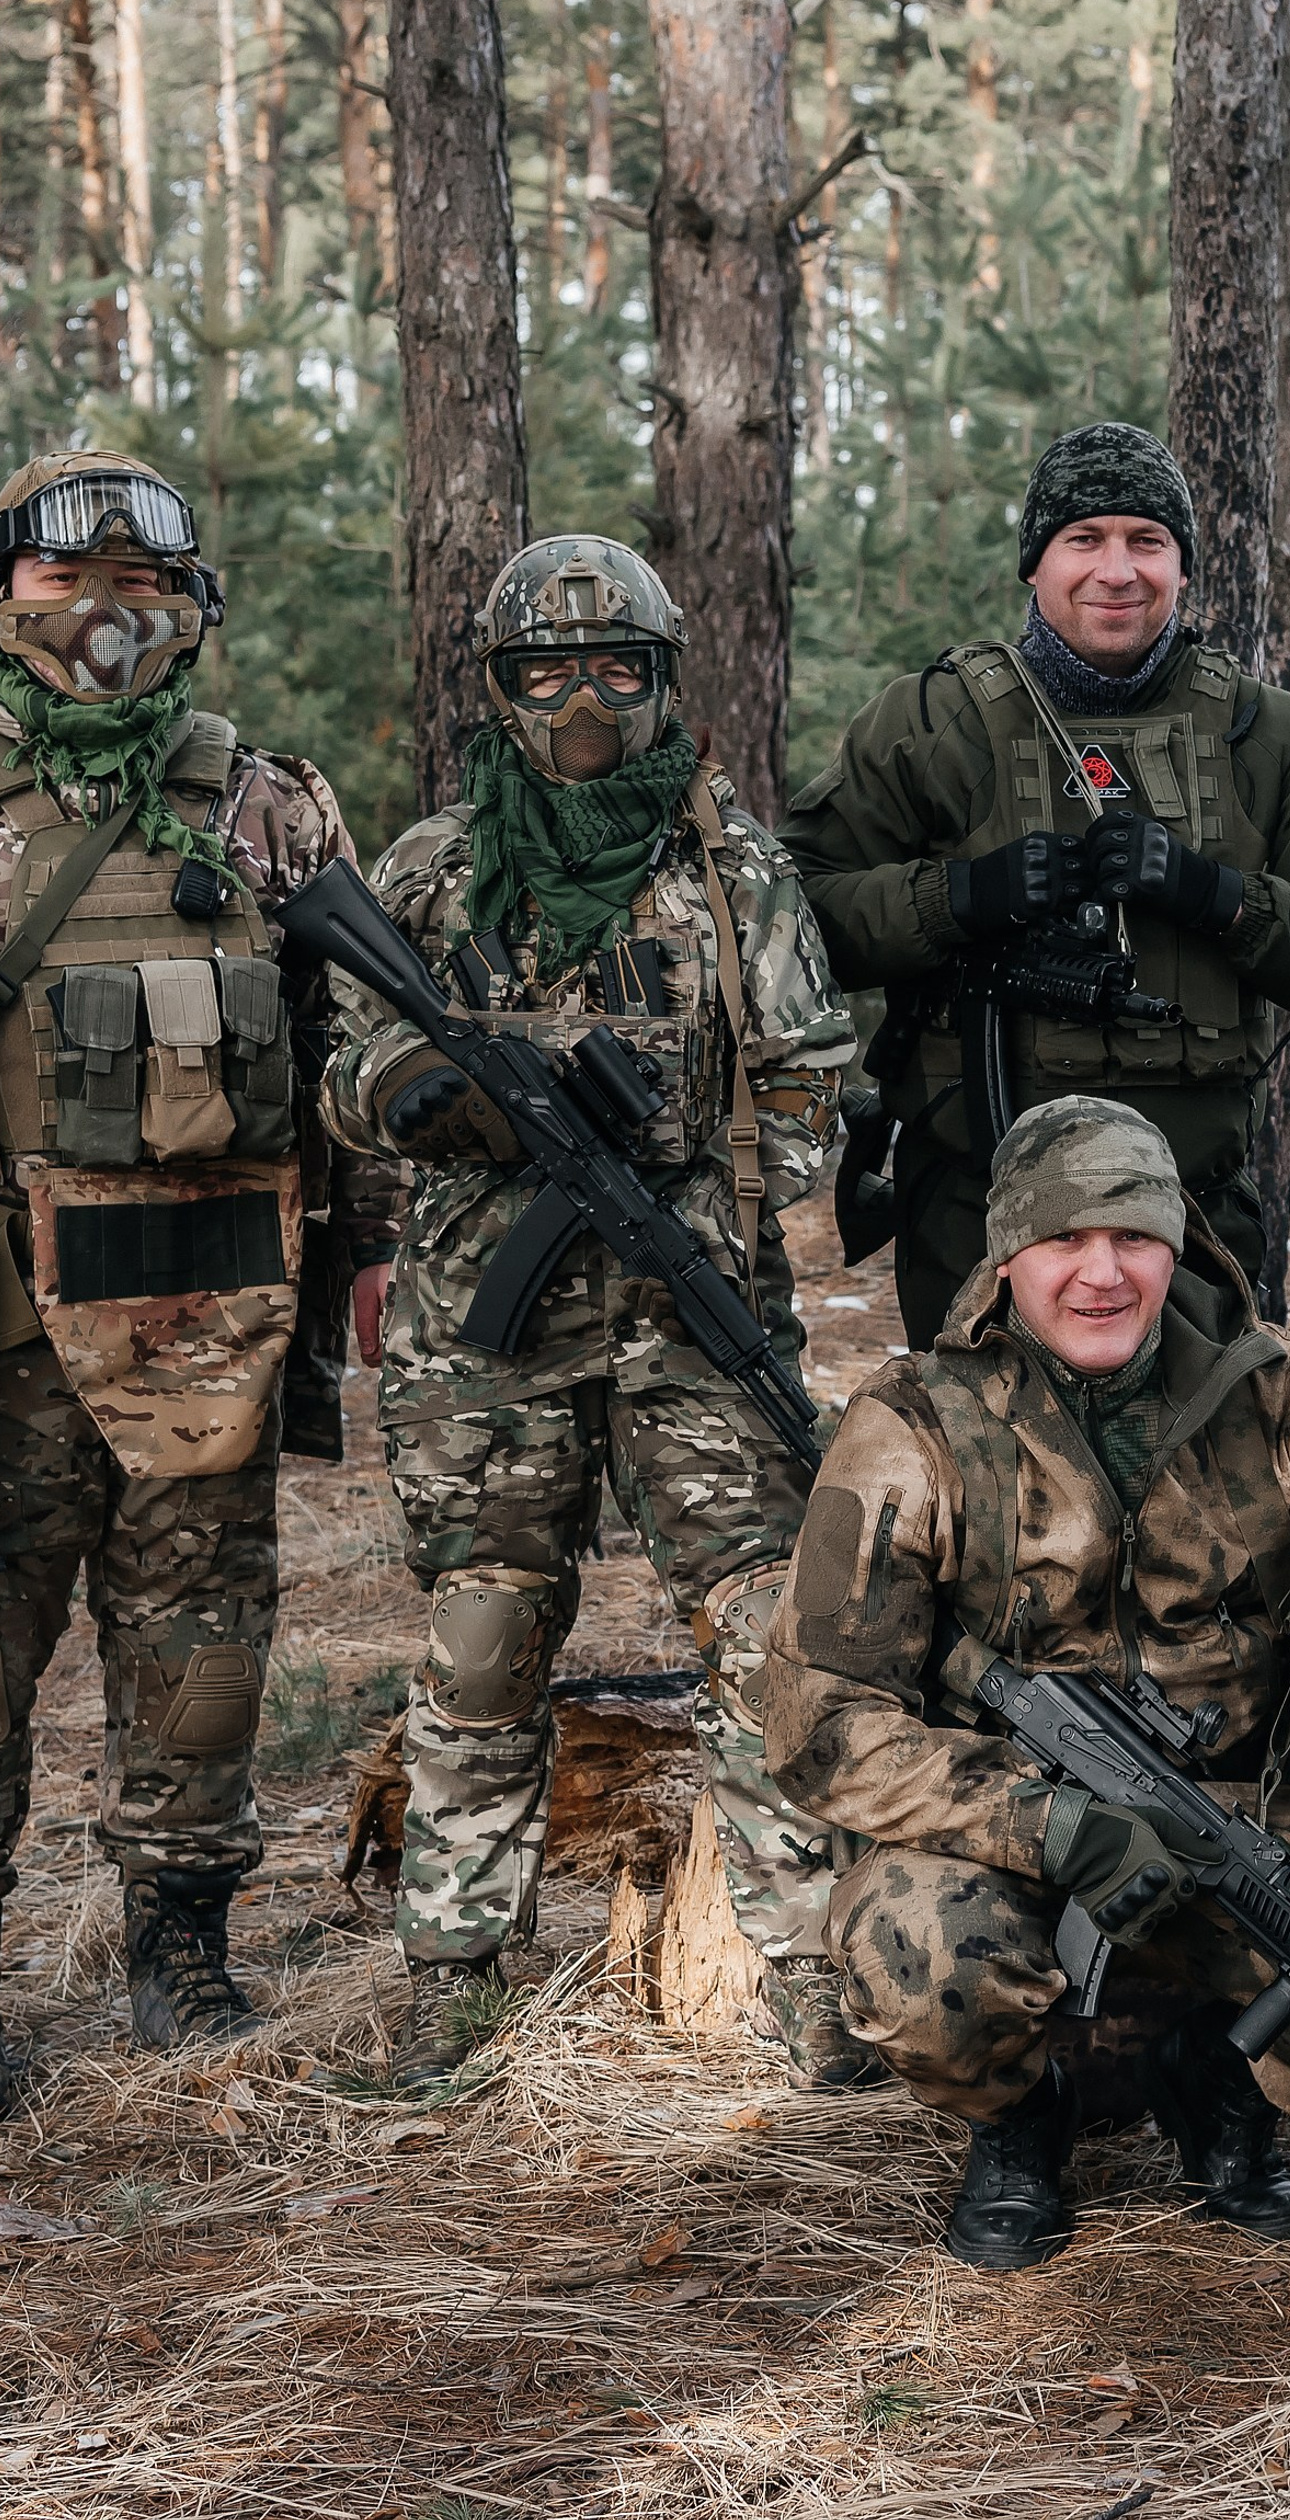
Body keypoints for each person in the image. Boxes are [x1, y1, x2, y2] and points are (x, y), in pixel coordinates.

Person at [757, 1095, 1290, 2269]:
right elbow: (818, 1714)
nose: (1102, 1274)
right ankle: (1019, 2123)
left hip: (1243, 1812)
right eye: (1065, 1238)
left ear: (1180, 1245)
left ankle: (1214, 2082)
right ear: (1008, 1256)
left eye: (1133, 1237)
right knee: (917, 1962)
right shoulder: (917, 1421)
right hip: (999, 1828)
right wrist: (1047, 1825)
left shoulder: (1287, 1398)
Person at [321, 534, 864, 2092]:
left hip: (691, 1316)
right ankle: (455, 1982)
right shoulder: (433, 871)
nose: (582, 700)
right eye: (548, 671)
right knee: (487, 1630)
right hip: (482, 1333)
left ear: (661, 679)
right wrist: (430, 1091)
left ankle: (806, 1973)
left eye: (616, 668)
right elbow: (342, 1073)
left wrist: (699, 1158)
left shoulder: (732, 867)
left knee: (767, 1630)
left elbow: (810, 1082)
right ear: (501, 686)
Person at [0, 449, 398, 2076]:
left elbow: (353, 1047)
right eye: (64, 578)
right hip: (9, 1337)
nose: (105, 610)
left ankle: (182, 1949)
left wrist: (367, 1259)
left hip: (204, 1318)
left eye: (143, 582)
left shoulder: (266, 806)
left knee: (201, 1655)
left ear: (194, 607)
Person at [779, 421, 1290, 1346]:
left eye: (1146, 541)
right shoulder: (933, 722)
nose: (1117, 571)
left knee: (1204, 1442)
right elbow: (789, 921)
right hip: (976, 1225)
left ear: (1182, 565)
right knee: (983, 1444)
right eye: (1084, 539)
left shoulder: (1263, 734)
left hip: (1191, 1226)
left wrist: (1217, 897)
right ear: (1034, 563)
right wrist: (957, 898)